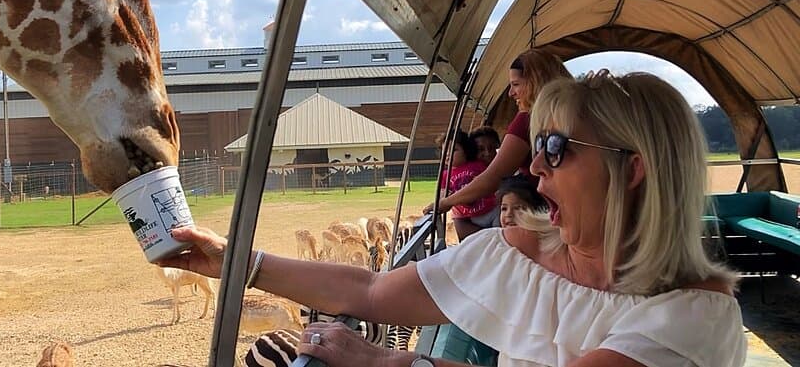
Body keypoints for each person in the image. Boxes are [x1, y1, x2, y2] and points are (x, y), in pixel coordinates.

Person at [160, 71, 745, 366]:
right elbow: (368, 289)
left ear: (633, 170)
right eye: (537, 142)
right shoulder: (514, 253)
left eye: (558, 147)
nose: (533, 165)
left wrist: (386, 361)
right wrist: (234, 261)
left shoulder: (695, 317)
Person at [426, 49, 571, 219]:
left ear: (535, 82)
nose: (510, 93)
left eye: (516, 84)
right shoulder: (567, 114)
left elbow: (493, 177)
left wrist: (446, 202)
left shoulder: (527, 119)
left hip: (544, 212)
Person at [438, 131, 495, 241]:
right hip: (469, 218)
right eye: (444, 150)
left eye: (454, 150)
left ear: (466, 151)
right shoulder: (445, 175)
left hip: (490, 211)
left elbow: (489, 181)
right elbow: (442, 197)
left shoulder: (477, 165)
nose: (447, 154)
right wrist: (436, 204)